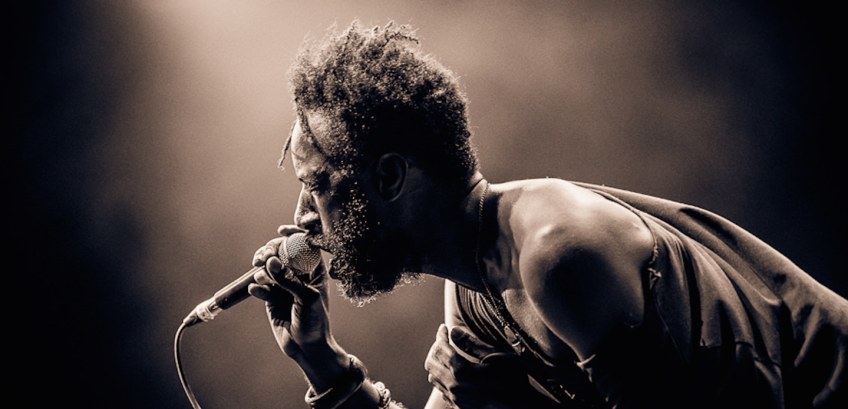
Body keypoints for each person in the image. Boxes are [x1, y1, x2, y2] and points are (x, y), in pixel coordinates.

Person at [247, 21, 848, 409]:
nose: (302, 216)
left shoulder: (557, 252)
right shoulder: (477, 290)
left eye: (315, 185)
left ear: (388, 178)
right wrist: (323, 362)